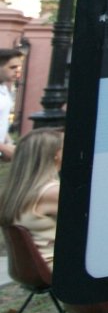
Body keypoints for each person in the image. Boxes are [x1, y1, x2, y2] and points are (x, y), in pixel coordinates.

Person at [0, 127, 63, 267]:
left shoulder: (16, 191)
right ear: (55, 155)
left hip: (31, 266)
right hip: (56, 267)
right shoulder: (51, 192)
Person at [0, 48, 23, 161]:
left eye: (19, 67)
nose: (17, 71)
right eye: (12, 67)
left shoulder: (4, 89)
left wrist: (8, 141)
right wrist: (3, 148)